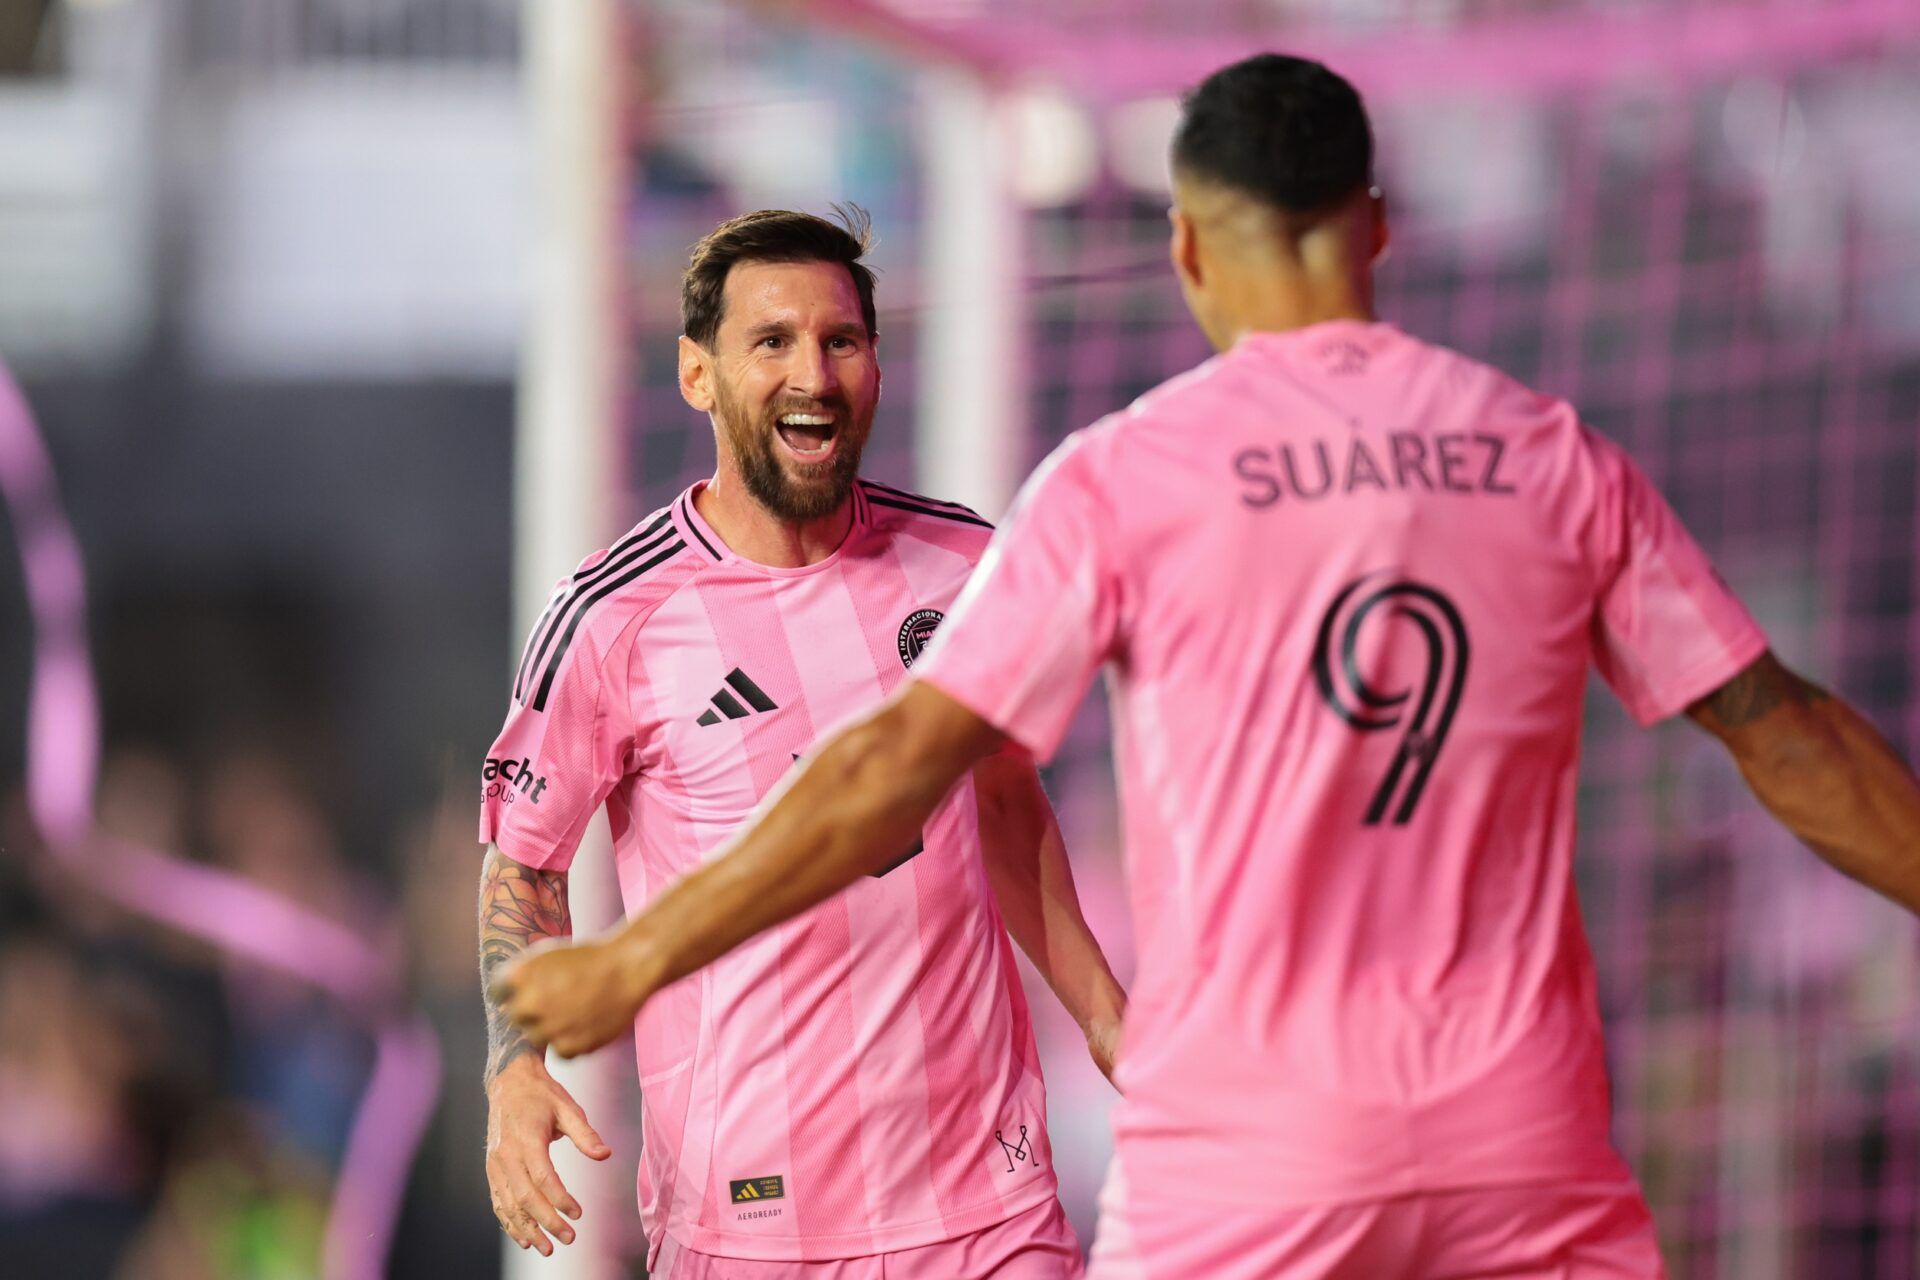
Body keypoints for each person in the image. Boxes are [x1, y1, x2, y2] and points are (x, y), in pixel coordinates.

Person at [494, 55, 1920, 1278]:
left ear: (1185, 246)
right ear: (1375, 226)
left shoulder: (1120, 482)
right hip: (1515, 1146)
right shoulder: (1544, 454)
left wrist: (638, 958)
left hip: (1245, 1160)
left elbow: (896, 774)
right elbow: (1784, 732)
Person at [477, 209, 1121, 1279]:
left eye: (841, 340)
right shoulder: (608, 614)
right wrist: (515, 1066)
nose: (811, 373)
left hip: (991, 1208)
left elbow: (1005, 799)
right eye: (770, 341)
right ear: (698, 374)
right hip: (751, 1231)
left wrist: (1108, 1020)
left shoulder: (967, 564)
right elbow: (526, 859)